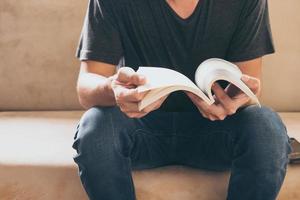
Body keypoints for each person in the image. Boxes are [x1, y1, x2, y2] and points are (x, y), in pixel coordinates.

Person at [72, 0, 291, 199]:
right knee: (95, 125)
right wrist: (113, 89)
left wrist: (237, 99)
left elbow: (249, 85)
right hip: (140, 125)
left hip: (216, 129)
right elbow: (86, 87)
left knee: (266, 125)